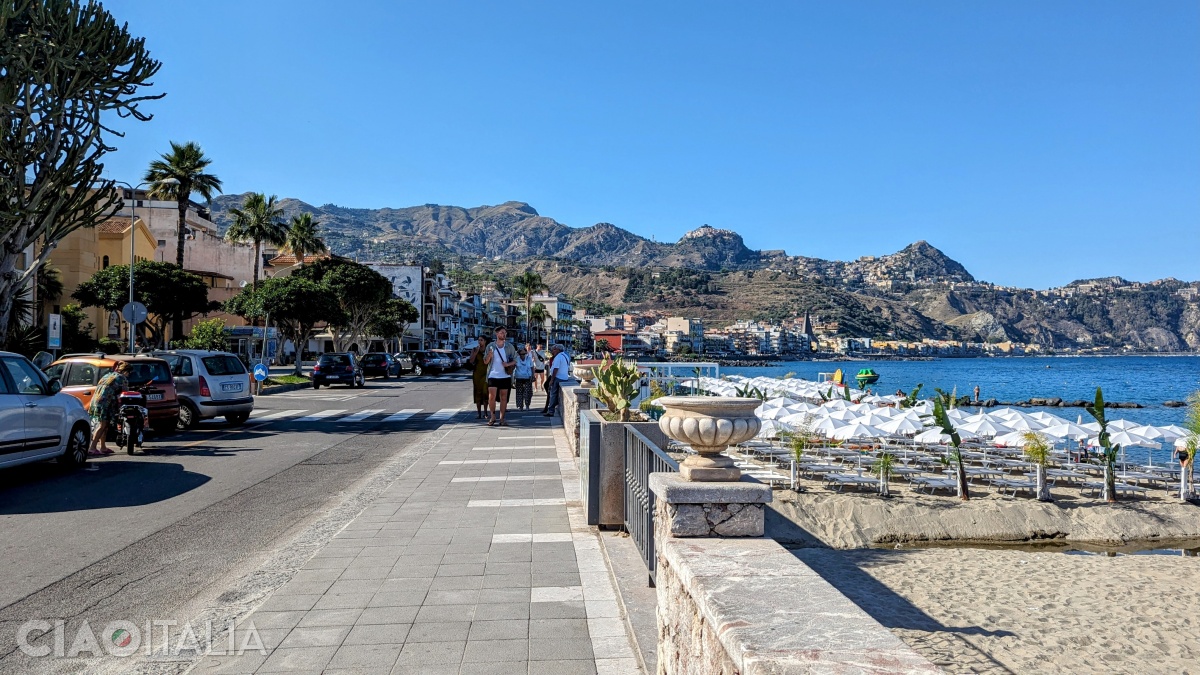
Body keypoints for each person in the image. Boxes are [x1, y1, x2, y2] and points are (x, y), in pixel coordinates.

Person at [87, 361, 131, 456]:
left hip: (96, 401)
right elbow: (125, 393)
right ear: (126, 371)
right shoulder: (122, 378)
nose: (129, 375)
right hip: (105, 403)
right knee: (102, 425)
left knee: (105, 425)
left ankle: (103, 447)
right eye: (129, 372)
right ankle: (92, 447)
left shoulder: (108, 375)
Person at [483, 327, 517, 426]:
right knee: (491, 396)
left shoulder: (509, 346)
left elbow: (515, 360)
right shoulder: (490, 346)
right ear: (497, 334)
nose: (504, 335)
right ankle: (493, 416)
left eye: (505, 333)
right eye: (502, 333)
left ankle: (502, 418)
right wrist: (489, 356)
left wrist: (508, 364)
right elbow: (485, 362)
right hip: (493, 375)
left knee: (503, 397)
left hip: (505, 376)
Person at [543, 344, 573, 417]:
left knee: (553, 394)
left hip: (558, 377)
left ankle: (551, 411)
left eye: (553, 350)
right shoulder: (565, 356)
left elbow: (555, 369)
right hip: (564, 377)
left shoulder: (558, 357)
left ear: (558, 350)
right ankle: (552, 406)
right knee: (553, 393)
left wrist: (552, 380)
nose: (552, 351)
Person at [468, 337, 491, 419]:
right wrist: (475, 353)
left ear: (485, 341)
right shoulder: (474, 349)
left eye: (481, 340)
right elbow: (471, 361)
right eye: (479, 340)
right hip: (477, 373)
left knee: (485, 392)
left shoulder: (488, 350)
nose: (480, 342)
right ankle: (478, 413)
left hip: (486, 373)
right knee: (477, 393)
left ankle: (485, 412)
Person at [513, 345, 534, 410]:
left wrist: (533, 375)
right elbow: (513, 367)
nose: (522, 355)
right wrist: (513, 379)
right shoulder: (516, 359)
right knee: (519, 392)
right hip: (519, 377)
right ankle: (520, 406)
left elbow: (532, 367)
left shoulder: (529, 359)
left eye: (524, 354)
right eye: (521, 354)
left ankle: (527, 405)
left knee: (528, 392)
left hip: (528, 377)